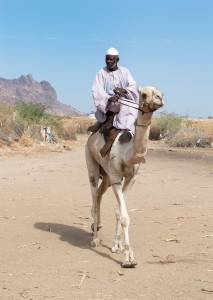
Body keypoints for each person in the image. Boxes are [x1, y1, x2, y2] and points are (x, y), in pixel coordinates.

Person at [88, 47, 139, 144]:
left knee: (133, 106)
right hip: (108, 104)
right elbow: (97, 90)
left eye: (111, 59)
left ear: (117, 60)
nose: (108, 61)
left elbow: (133, 86)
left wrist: (123, 90)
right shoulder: (101, 73)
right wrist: (109, 98)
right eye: (107, 59)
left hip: (124, 101)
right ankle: (125, 128)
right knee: (125, 105)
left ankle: (128, 132)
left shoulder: (125, 71)